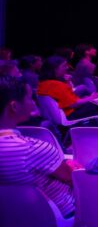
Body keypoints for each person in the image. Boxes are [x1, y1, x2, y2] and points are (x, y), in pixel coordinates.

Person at [0, 75, 77, 218]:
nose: (34, 103)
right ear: (14, 106)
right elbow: (73, 179)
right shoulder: (32, 148)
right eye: (30, 98)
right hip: (58, 214)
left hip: (10, 217)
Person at [36, 56, 98, 134]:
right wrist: (90, 98)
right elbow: (73, 104)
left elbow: (66, 97)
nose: (67, 68)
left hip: (69, 113)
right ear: (54, 69)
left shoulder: (44, 84)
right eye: (63, 66)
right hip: (72, 114)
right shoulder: (55, 84)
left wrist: (67, 82)